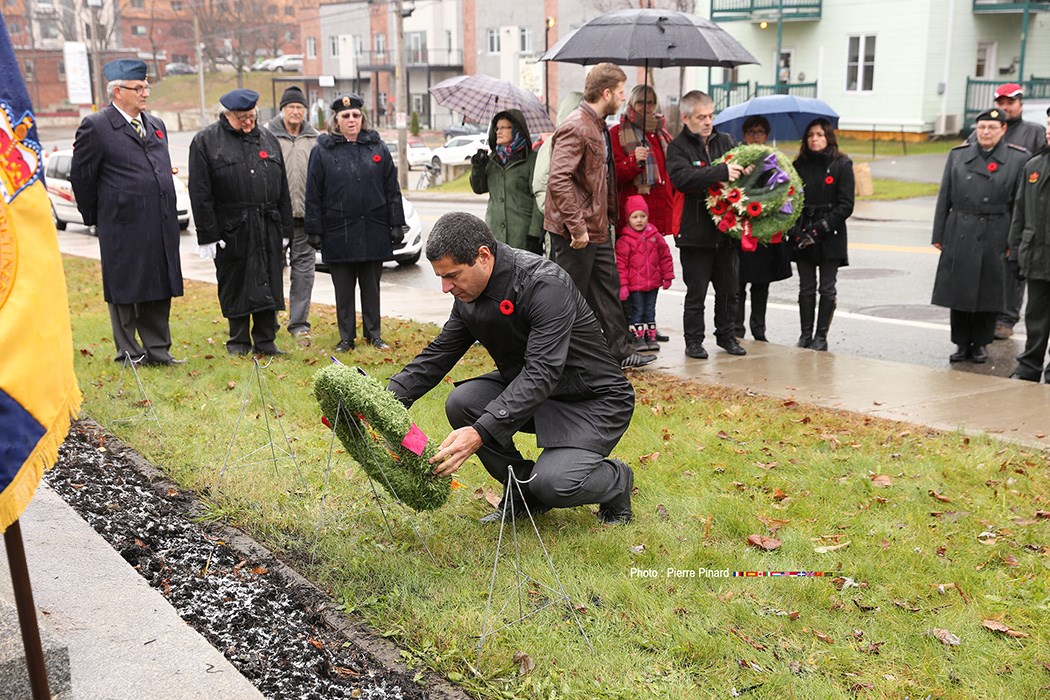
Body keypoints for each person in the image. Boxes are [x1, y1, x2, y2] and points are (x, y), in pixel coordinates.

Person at [386, 212, 636, 525]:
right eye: (440, 277)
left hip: (590, 399)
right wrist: (384, 400)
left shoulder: (544, 285)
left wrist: (479, 433)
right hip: (534, 391)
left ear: (483, 256)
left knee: (554, 484)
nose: (445, 288)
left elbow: (542, 372)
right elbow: (440, 353)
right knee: (463, 402)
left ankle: (616, 480)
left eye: (452, 276)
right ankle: (523, 491)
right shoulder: (469, 294)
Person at [69, 58, 184, 366]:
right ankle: (130, 353)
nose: (145, 93)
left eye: (146, 87)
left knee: (159, 285)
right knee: (125, 289)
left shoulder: (156, 125)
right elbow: (82, 177)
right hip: (122, 225)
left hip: (159, 222)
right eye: (139, 88)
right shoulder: (96, 126)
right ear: (118, 92)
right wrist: (98, 217)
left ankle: (158, 350)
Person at [544, 63, 655, 370]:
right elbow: (559, 180)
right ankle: (554, 359)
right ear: (606, 93)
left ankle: (619, 352)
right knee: (568, 296)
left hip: (598, 227)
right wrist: (577, 228)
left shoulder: (598, 125)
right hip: (575, 232)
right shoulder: (576, 126)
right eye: (620, 92)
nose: (623, 98)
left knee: (607, 289)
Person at [189, 88, 293, 356]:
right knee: (236, 282)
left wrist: (285, 229)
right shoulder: (206, 141)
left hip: (267, 223)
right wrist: (207, 234)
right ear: (227, 115)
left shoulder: (268, 139)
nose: (248, 122)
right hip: (231, 228)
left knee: (269, 281)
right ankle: (238, 341)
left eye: (252, 116)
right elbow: (200, 192)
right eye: (242, 118)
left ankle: (266, 340)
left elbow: (282, 187)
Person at [305, 93, 407, 352]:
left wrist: (396, 223)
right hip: (339, 231)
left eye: (356, 115)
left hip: (373, 228)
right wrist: (314, 229)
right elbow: (313, 193)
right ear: (336, 121)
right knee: (344, 289)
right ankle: (346, 337)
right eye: (346, 116)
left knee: (371, 287)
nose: (352, 120)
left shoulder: (377, 148)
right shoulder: (323, 151)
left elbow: (392, 189)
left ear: (363, 118)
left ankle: (374, 334)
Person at [932, 109, 1030, 364]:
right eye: (982, 127)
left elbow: (1020, 204)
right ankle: (961, 343)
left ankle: (981, 344)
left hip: (997, 228)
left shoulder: (1018, 159)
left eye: (992, 127)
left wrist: (1014, 240)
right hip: (960, 227)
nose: (986, 132)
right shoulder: (958, 155)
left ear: (1003, 130)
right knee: (959, 290)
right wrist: (939, 233)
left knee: (990, 291)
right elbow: (945, 196)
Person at [666, 90, 747, 359]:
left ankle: (726, 336)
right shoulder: (678, 147)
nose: (708, 121)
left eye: (711, 115)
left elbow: (742, 167)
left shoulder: (725, 141)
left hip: (726, 232)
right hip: (695, 233)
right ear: (685, 117)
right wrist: (719, 172)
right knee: (697, 293)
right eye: (702, 117)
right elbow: (683, 179)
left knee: (729, 291)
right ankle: (693, 341)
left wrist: (746, 170)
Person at [610, 84, 675, 343]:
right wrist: (633, 162)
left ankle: (649, 325)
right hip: (632, 215)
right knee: (630, 276)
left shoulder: (661, 135)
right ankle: (630, 325)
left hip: (655, 216)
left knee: (652, 274)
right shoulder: (618, 133)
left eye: (650, 103)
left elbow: (667, 177)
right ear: (631, 105)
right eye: (641, 103)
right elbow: (615, 174)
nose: (646, 108)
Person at [790, 118, 855, 352]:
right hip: (804, 231)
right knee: (806, 287)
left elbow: (846, 205)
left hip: (830, 233)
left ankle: (821, 336)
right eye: (810, 135)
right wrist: (796, 231)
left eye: (819, 134)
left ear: (828, 137)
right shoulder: (798, 166)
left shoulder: (842, 164)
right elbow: (790, 201)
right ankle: (805, 334)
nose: (814, 139)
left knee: (827, 288)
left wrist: (820, 228)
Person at [988, 83, 1046, 340]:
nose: (1005, 108)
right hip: (992, 211)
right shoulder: (987, 130)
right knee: (989, 267)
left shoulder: (1034, 133)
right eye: (1000, 103)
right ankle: (987, 315)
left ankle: (1006, 318)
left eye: (1009, 103)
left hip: (1021, 212)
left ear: (1020, 104)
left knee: (1014, 268)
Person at [265, 85, 319, 347]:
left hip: (305, 219)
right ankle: (270, 320)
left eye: (299, 107)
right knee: (273, 269)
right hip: (275, 218)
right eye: (291, 107)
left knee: (304, 273)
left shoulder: (314, 138)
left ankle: (299, 323)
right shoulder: (267, 136)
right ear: (282, 110)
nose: (295, 112)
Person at [734, 116, 792, 342]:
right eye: (750, 131)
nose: (755, 136)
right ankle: (736, 330)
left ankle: (759, 330)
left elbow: (786, 191)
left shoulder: (776, 162)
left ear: (767, 136)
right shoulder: (737, 160)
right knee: (737, 285)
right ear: (744, 135)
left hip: (765, 233)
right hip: (743, 232)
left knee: (761, 286)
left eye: (759, 131)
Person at [1008, 107, 1050, 381]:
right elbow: (1020, 211)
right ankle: (1029, 366)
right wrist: (1014, 250)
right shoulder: (1033, 166)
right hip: (1036, 254)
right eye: (1049, 124)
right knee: (1035, 316)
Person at [469, 109, 543, 254]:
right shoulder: (492, 159)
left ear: (516, 129)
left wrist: (534, 234)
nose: (498, 131)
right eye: (497, 128)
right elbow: (479, 188)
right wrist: (478, 166)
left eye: (504, 127)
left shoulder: (531, 160)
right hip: (494, 235)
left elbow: (538, 197)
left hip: (522, 235)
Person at [616, 196, 674, 351]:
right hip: (635, 286)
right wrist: (623, 285)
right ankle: (638, 338)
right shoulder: (625, 240)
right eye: (635, 217)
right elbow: (621, 265)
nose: (639, 220)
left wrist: (668, 275)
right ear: (628, 219)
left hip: (652, 283)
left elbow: (665, 256)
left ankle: (651, 336)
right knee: (637, 311)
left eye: (643, 216)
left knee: (650, 311)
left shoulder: (655, 236)